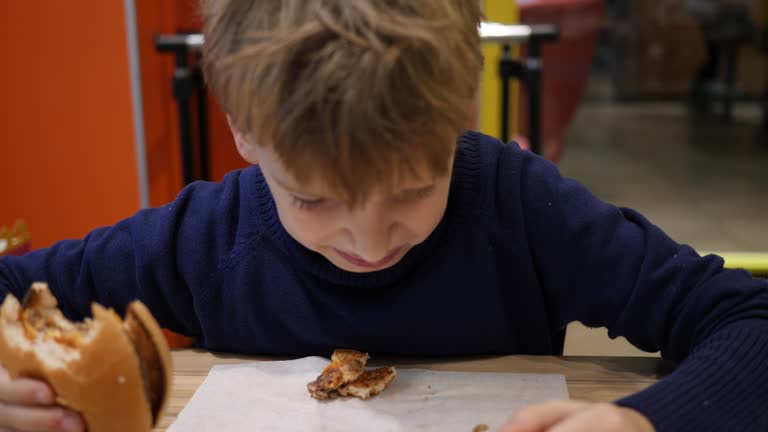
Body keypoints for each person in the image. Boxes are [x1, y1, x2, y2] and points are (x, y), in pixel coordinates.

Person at [1, 1, 767, 431]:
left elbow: (751, 322)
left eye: (411, 189)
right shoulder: (203, 239)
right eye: (312, 198)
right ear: (242, 130)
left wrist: (645, 423)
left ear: (461, 114)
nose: (369, 241)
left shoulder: (522, 209)